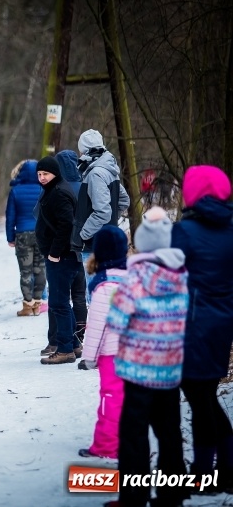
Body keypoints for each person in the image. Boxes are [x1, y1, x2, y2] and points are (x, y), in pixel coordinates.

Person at [105, 206, 189, 507]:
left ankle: (133, 496)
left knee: (134, 433)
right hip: (170, 369)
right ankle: (172, 494)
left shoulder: (135, 278)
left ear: (141, 242)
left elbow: (116, 322)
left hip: (139, 371)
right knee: (169, 432)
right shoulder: (182, 277)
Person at [171, 165, 233, 494]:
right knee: (205, 396)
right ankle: (223, 470)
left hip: (191, 326)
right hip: (222, 325)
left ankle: (204, 474)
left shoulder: (184, 231)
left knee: (200, 399)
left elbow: (167, 275)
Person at [77, 225, 128, 460]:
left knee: (111, 397)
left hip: (112, 354)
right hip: (138, 352)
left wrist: (89, 358)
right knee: (128, 398)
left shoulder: (104, 286)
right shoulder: (134, 279)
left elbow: (97, 326)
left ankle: (107, 446)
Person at [34, 156, 83, 365]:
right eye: (39, 174)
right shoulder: (53, 190)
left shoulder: (59, 192)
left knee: (59, 303)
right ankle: (73, 344)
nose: (42, 178)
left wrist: (54, 252)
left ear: (55, 173)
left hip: (62, 256)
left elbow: (66, 225)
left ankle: (65, 349)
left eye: (45, 174)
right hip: (59, 255)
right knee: (60, 302)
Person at [71, 129, 131, 270]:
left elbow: (103, 212)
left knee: (95, 283)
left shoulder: (95, 173)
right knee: (107, 282)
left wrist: (83, 234)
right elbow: (124, 200)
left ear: (84, 150)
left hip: (93, 243)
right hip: (107, 238)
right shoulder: (108, 169)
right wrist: (111, 222)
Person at [5, 159, 44, 316]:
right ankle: (38, 304)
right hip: (41, 234)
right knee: (40, 269)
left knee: (25, 271)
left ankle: (28, 305)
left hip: (22, 234)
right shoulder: (43, 189)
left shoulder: (15, 191)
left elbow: (10, 217)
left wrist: (10, 237)